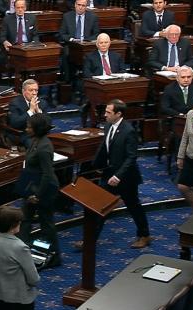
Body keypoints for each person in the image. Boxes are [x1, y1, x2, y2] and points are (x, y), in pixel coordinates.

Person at [76, 99, 151, 249]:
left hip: (126, 177)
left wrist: (118, 176)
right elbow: (105, 147)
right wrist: (96, 166)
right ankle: (90, 240)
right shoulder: (109, 125)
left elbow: (131, 157)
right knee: (101, 205)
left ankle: (144, 235)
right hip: (109, 174)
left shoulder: (129, 131)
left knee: (133, 207)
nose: (105, 115)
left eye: (108, 112)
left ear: (119, 114)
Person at [17, 113, 61, 267]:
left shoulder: (44, 147)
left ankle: (54, 256)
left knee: (46, 224)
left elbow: (47, 175)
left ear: (37, 129)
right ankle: (23, 253)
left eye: (29, 126)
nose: (26, 128)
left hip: (44, 190)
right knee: (25, 220)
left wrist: (37, 195)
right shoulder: (35, 140)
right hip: (33, 186)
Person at [58, 0, 99, 84]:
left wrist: (86, 41)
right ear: (75, 5)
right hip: (72, 45)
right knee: (66, 53)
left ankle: (89, 81)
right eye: (79, 5)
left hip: (86, 45)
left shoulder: (93, 17)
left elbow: (96, 34)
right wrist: (72, 40)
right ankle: (68, 81)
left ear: (86, 7)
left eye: (83, 5)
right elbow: (62, 34)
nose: (80, 7)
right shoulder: (67, 16)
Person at [6, 79, 48, 148]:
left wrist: (39, 111)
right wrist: (31, 111)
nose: (34, 93)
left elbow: (48, 121)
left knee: (53, 143)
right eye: (31, 90)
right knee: (36, 147)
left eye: (36, 90)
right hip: (25, 134)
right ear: (23, 91)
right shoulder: (15, 103)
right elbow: (15, 123)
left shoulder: (42, 103)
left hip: (41, 132)